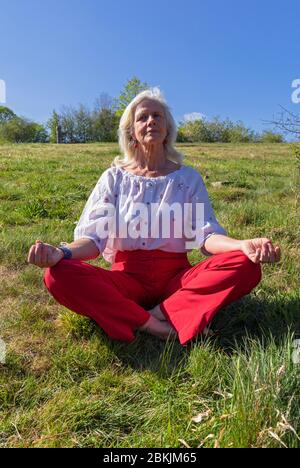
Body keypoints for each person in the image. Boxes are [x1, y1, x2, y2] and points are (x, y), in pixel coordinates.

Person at [27, 88, 281, 345]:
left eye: (157, 115)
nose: (151, 121)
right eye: (143, 117)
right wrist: (63, 253)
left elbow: (206, 235)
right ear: (131, 131)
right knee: (57, 274)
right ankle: (158, 326)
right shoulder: (114, 178)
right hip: (126, 279)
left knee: (245, 264)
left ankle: (150, 315)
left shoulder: (187, 178)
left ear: (168, 128)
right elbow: (93, 240)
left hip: (177, 278)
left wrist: (242, 246)